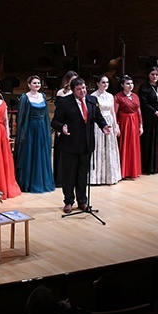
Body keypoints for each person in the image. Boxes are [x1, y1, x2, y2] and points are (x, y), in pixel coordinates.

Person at [51, 77, 111, 213]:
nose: (82, 91)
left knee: (83, 174)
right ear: (73, 90)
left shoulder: (92, 100)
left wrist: (103, 126)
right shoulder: (65, 102)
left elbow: (98, 117)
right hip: (70, 145)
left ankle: (82, 201)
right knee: (69, 175)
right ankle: (68, 201)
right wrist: (62, 127)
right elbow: (55, 122)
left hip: (86, 144)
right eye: (79, 89)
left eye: (84, 88)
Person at [13, 75, 54, 193]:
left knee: (41, 153)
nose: (37, 85)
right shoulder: (25, 97)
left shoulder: (43, 96)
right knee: (30, 152)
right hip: (30, 128)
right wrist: (22, 133)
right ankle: (28, 182)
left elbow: (46, 115)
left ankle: (42, 181)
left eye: (38, 83)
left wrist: (47, 130)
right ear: (29, 85)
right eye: (34, 83)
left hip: (41, 128)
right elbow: (22, 117)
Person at [89, 75, 122, 185]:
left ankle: (110, 176)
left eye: (107, 82)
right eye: (103, 82)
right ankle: (96, 178)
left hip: (109, 121)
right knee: (98, 148)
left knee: (109, 148)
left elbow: (113, 112)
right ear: (98, 83)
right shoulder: (93, 96)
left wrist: (116, 125)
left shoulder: (110, 96)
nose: (105, 84)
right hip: (99, 123)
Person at [114, 75, 143, 179]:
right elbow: (115, 112)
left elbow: (139, 111)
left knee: (134, 146)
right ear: (122, 85)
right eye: (127, 84)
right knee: (125, 145)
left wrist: (141, 125)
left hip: (134, 122)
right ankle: (124, 171)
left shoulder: (135, 96)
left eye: (131, 83)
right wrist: (116, 125)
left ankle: (134, 170)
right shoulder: (118, 97)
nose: (130, 85)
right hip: (124, 122)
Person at [53, 70, 78, 187]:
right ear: (67, 81)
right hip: (64, 125)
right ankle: (61, 179)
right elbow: (59, 113)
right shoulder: (61, 93)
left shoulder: (78, 92)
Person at [139, 67, 158, 175]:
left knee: (156, 141)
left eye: (156, 75)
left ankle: (155, 167)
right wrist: (155, 112)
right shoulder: (144, 87)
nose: (155, 76)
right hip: (149, 117)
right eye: (152, 74)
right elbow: (144, 103)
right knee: (148, 141)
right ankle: (147, 167)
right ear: (148, 75)